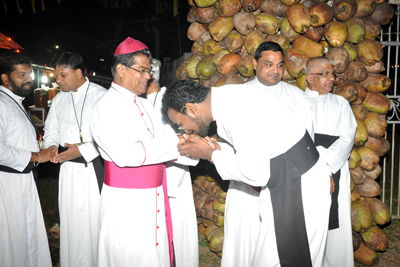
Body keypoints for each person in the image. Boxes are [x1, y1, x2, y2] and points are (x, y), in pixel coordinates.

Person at [162, 80, 332, 267]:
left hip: (297, 186)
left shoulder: (235, 111)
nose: (185, 130)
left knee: (288, 259)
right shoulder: (229, 98)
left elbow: (255, 174)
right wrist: (218, 148)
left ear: (191, 109)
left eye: (180, 123)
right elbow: (254, 150)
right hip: (286, 181)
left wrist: (211, 155)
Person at [90, 37, 196, 267]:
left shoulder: (144, 104)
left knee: (153, 255)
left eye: (148, 70)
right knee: (131, 255)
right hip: (127, 203)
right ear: (120, 69)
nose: (148, 76)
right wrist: (176, 143)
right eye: (142, 70)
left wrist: (196, 146)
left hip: (154, 195)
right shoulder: (106, 106)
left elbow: (165, 141)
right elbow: (126, 154)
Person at [42, 52, 107, 267]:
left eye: (63, 75)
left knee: (93, 221)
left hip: (93, 167)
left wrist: (82, 151)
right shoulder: (59, 98)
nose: (57, 80)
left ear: (78, 73)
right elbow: (51, 130)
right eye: (56, 75)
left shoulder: (101, 95)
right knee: (71, 221)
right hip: (67, 169)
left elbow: (109, 136)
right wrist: (50, 146)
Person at [0, 52, 54, 267]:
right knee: (12, 238)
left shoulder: (15, 101)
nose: (29, 79)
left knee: (27, 235)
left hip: (24, 181)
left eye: (29, 74)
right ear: (5, 78)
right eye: (21, 75)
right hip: (8, 184)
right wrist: (38, 156)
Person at [305, 57, 357, 267]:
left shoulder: (341, 103)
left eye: (332, 74)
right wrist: (315, 167)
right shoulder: (296, 102)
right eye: (324, 74)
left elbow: (347, 137)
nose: (331, 79)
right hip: (304, 169)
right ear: (309, 78)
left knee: (335, 224)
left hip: (334, 166)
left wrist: (325, 166)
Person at [146, 58, 199, 267]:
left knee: (176, 235)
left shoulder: (172, 99)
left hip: (172, 177)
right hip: (148, 178)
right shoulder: (137, 102)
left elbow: (188, 139)